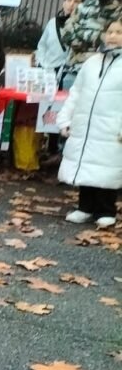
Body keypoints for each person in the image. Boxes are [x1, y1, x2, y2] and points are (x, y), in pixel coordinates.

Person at [56, 18, 122, 228]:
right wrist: (66, 118)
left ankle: (106, 209)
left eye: (119, 32)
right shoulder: (92, 62)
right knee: (85, 164)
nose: (113, 36)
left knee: (107, 167)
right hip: (86, 124)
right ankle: (85, 207)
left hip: (112, 126)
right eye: (110, 31)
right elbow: (76, 92)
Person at [61, 0, 122, 80]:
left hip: (102, 72)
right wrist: (96, 37)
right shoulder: (84, 6)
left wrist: (81, 34)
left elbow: (113, 42)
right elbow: (66, 34)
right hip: (73, 69)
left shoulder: (119, 10)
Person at [35, 0, 85, 85]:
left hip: (66, 73)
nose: (71, 4)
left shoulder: (83, 26)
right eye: (69, 0)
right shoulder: (52, 22)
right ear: (64, 3)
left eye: (76, 1)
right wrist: (41, 62)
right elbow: (42, 45)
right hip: (46, 70)